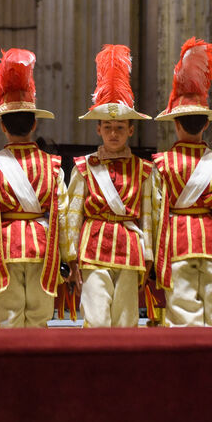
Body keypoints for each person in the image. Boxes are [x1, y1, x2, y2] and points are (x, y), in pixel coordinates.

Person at [66, 44, 158, 328]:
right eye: (108, 127)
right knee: (96, 320)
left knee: (127, 321)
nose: (114, 133)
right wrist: (71, 257)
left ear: (131, 129)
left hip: (130, 249)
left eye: (120, 128)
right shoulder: (83, 167)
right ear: (98, 129)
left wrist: (149, 255)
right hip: (93, 247)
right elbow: (73, 214)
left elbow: (148, 216)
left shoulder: (144, 170)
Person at [0, 48, 72, 328]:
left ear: (2, 127)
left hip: (4, 249)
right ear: (34, 123)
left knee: (8, 322)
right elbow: (64, 215)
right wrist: (68, 258)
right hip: (42, 250)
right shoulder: (53, 165)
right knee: (39, 322)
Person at [151, 38, 212, 327]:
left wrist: (155, 259)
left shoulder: (161, 164)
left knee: (181, 315)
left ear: (175, 123)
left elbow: (156, 212)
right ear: (207, 123)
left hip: (177, 242)